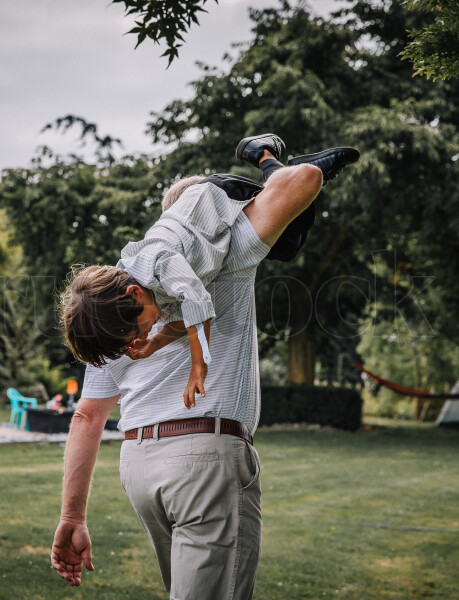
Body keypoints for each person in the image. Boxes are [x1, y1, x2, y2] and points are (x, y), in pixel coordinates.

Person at [51, 134, 359, 598]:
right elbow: (303, 183)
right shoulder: (225, 250)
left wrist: (72, 516)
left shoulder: (104, 310)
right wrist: (273, 163)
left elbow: (87, 415)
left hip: (138, 467)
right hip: (203, 458)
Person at [60, 134, 360, 405]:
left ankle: (262, 153)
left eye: (140, 328)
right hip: (217, 236)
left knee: (301, 197)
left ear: (134, 293)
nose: (146, 330)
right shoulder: (152, 297)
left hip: (218, 197)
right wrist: (153, 344)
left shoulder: (156, 260)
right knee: (289, 247)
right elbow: (183, 321)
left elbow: (196, 301)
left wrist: (198, 365)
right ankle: (283, 165)